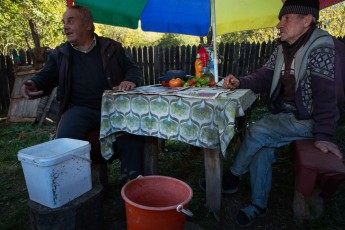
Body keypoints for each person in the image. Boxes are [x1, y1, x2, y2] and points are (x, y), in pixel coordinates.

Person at [201, 0, 345, 227]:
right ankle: (259, 204)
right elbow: (264, 76)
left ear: (306, 20)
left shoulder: (322, 47)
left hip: (310, 119)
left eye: (286, 18)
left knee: (258, 130)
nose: (279, 24)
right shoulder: (283, 48)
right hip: (288, 116)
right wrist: (240, 81)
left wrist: (324, 136)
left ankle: (233, 177)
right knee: (262, 149)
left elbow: (328, 96)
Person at [20, 5, 145, 185]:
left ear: (88, 25)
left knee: (134, 136)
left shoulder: (112, 47)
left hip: (114, 108)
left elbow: (132, 69)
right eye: (64, 22)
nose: (65, 27)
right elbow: (47, 75)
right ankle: (74, 186)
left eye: (71, 21)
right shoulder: (60, 53)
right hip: (80, 109)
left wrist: (131, 80)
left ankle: (133, 185)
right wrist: (34, 83)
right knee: (64, 143)